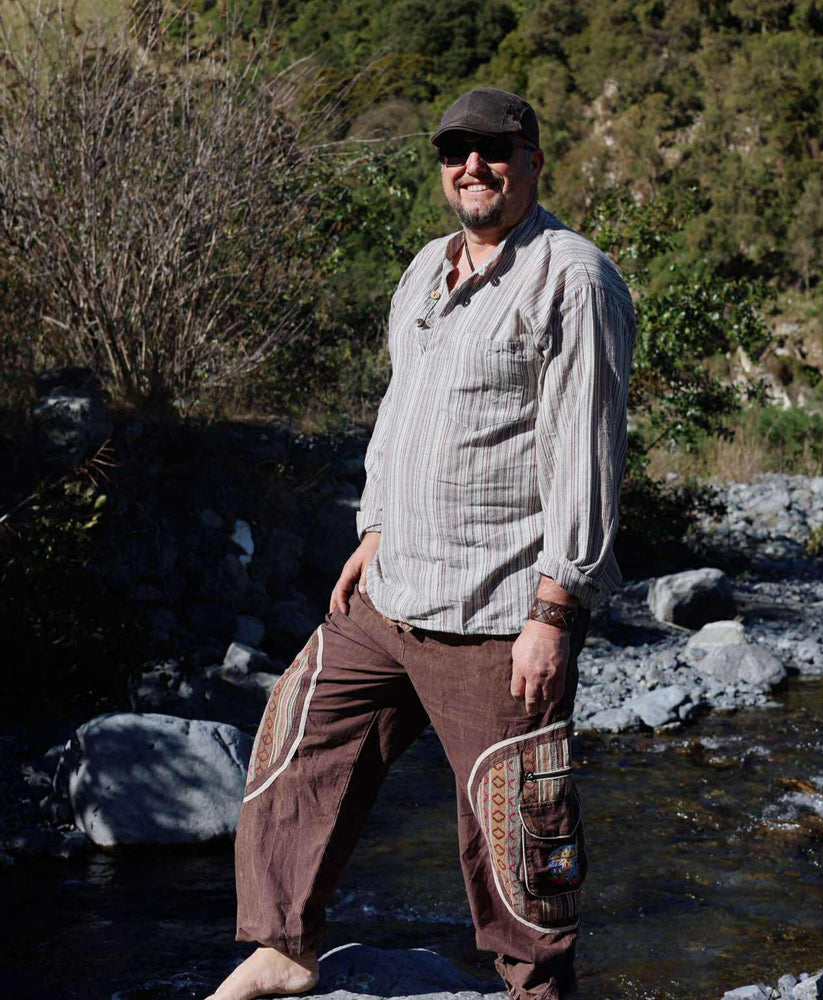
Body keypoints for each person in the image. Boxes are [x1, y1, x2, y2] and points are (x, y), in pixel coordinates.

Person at [206, 87, 636, 1000]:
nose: (471, 164)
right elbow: (400, 414)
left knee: (519, 825)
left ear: (532, 159)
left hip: (496, 611)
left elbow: (587, 458)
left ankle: (538, 990)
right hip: (391, 592)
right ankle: (284, 946)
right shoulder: (425, 268)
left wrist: (555, 611)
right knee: (295, 743)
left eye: (494, 148)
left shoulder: (573, 277)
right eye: (455, 148)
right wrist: (373, 527)